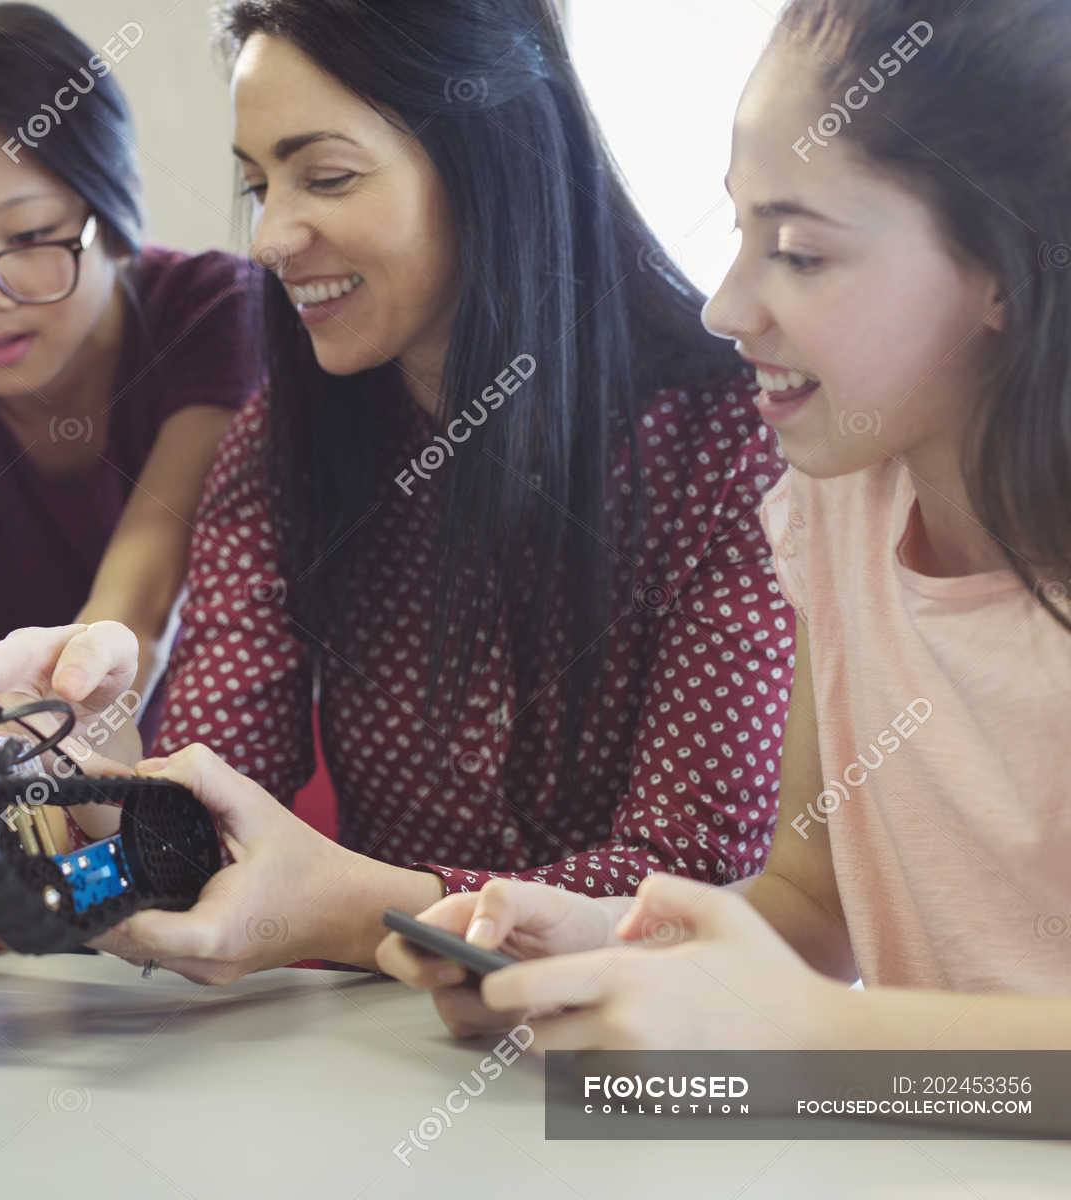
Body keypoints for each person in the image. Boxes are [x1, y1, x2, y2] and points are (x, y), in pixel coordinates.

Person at [0, 0, 794, 983]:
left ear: (488, 160)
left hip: (638, 1079)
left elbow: (695, 886)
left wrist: (358, 912)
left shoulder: (734, 445)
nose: (271, 236)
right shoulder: (278, 446)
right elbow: (216, 805)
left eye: (325, 176)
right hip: (372, 1063)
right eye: (259, 184)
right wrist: (91, 738)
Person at [381, 0, 1071, 1050]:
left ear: (1008, 271)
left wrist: (801, 1037)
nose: (727, 306)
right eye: (742, 230)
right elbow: (812, 905)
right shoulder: (838, 507)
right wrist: (606, 946)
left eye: (798, 251)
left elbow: (814, 1021)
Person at [0, 3, 260, 752]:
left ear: (111, 203)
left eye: (29, 236)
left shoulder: (214, 315)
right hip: (39, 754)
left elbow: (134, 619)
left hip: (211, 755)